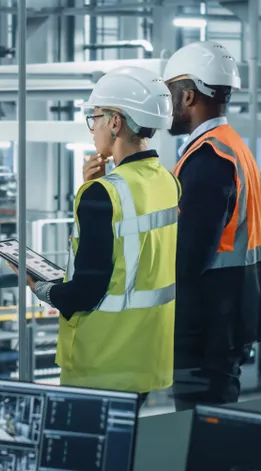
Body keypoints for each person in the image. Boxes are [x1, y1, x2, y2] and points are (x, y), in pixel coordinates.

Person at [29, 66, 179, 399]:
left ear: (116, 122)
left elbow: (85, 291)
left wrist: (39, 287)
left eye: (95, 118)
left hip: (102, 363)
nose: (92, 128)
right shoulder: (167, 182)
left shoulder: (101, 194)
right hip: (147, 358)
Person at [161, 40, 261, 410]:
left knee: (202, 426)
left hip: (207, 320)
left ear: (190, 96)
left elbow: (189, 255)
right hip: (231, 311)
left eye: (171, 95)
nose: (168, 107)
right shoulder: (232, 146)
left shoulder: (209, 158)